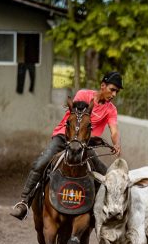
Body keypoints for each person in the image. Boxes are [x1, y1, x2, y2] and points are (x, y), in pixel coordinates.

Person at [10, 71, 123, 220]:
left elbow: (113, 130)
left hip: (84, 145)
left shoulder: (111, 110)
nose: (114, 94)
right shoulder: (83, 95)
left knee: (104, 174)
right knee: (41, 163)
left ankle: (102, 211)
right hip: (64, 137)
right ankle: (24, 202)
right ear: (103, 85)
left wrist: (116, 143)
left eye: (117, 91)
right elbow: (75, 116)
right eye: (112, 89)